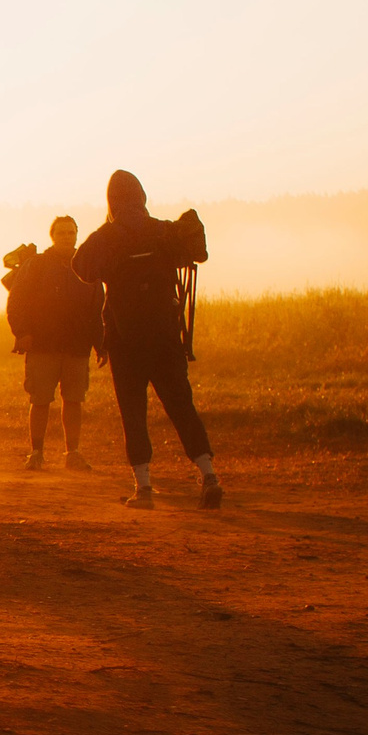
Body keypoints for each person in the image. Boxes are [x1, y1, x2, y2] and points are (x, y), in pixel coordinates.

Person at [74, 170, 219, 510]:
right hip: (166, 337)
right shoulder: (164, 231)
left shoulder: (105, 236)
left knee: (133, 414)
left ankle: (144, 489)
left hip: (125, 341)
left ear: (111, 201)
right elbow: (194, 256)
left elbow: (81, 267)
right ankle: (209, 474)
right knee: (182, 407)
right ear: (142, 197)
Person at [8, 215, 105, 471]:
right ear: (52, 235)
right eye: (61, 232)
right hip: (42, 344)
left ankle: (72, 453)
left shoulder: (86, 266)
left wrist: (101, 344)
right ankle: (36, 453)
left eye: (70, 232)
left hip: (77, 346)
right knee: (39, 400)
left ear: (76, 235)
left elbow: (98, 309)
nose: (66, 236)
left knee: (74, 400)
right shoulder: (36, 265)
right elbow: (17, 300)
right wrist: (22, 332)